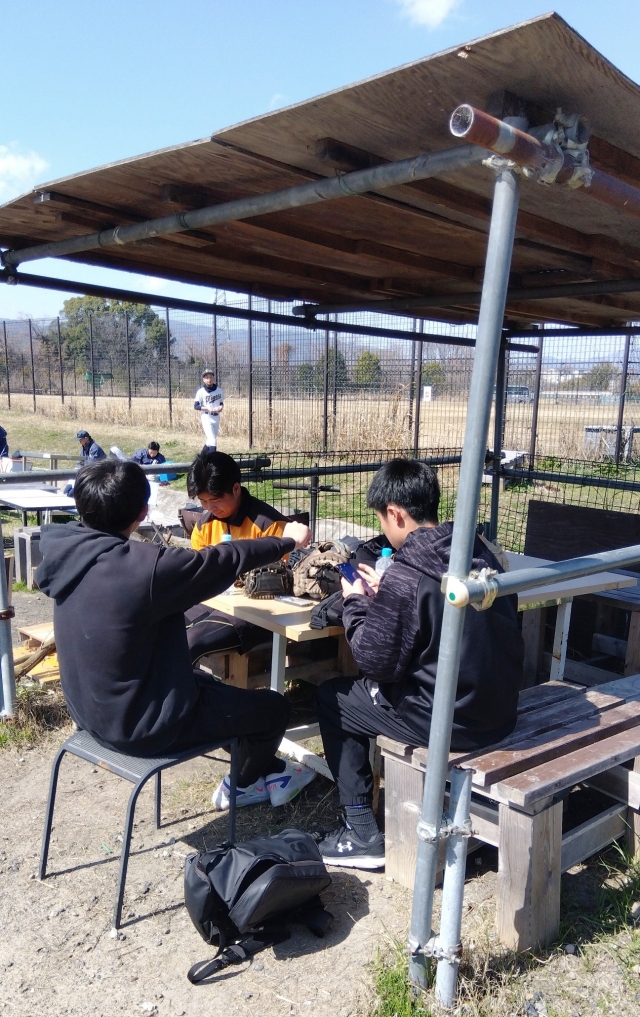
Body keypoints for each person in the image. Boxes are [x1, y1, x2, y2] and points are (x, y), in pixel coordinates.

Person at [34, 459, 315, 811]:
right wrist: (286, 540)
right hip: (144, 727)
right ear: (143, 511)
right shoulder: (145, 568)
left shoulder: (67, 552)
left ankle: (268, 769)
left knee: (214, 689)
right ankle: (242, 785)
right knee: (274, 708)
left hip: (91, 714)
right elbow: (222, 559)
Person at [313, 458, 524, 870]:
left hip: (452, 723)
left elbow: (375, 661)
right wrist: (389, 593)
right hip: (499, 712)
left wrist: (356, 600)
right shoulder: (478, 553)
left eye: (382, 520)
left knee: (333, 698)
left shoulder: (409, 570)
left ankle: (360, 831)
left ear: (395, 513)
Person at [185, 449, 294, 664]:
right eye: (204, 501)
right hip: (214, 600)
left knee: (191, 643)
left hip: (257, 611)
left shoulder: (271, 526)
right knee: (164, 629)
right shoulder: (204, 525)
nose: (210, 508)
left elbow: (274, 583)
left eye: (215, 500)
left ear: (236, 489)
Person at [194, 369, 224, 449]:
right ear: (203, 379)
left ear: (214, 378)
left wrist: (221, 407)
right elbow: (196, 406)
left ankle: (201, 456)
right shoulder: (201, 391)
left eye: (211, 377)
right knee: (213, 440)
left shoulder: (219, 390)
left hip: (216, 417)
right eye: (207, 377)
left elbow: (221, 402)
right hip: (206, 417)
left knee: (210, 441)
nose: (209, 379)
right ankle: (213, 457)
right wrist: (207, 408)